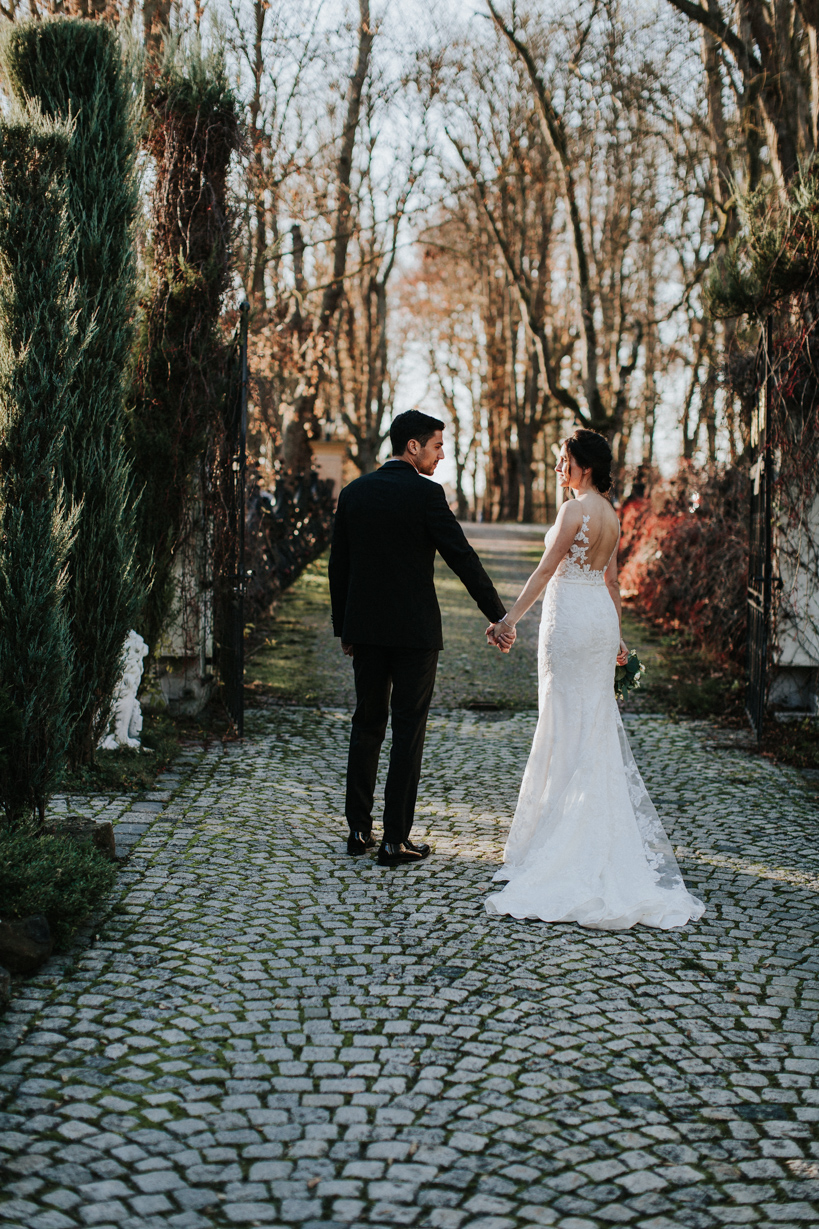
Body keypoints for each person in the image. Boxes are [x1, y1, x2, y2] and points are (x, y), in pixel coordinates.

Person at [484, 429, 704, 930]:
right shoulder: (611, 516)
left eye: (564, 460)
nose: (559, 468)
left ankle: (559, 845)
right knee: (594, 725)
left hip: (568, 624)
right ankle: (598, 839)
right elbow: (610, 582)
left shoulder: (574, 510)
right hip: (598, 623)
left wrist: (509, 620)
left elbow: (545, 571)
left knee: (562, 722)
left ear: (582, 465)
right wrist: (618, 638)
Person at [329, 410, 510, 867]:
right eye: (436, 446)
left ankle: (357, 830)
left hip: (366, 633)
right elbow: (461, 557)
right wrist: (499, 615)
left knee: (366, 724)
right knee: (407, 732)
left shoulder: (354, 493)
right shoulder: (428, 495)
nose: (441, 454)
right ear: (413, 446)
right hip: (414, 636)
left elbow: (339, 568)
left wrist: (343, 628)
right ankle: (394, 841)